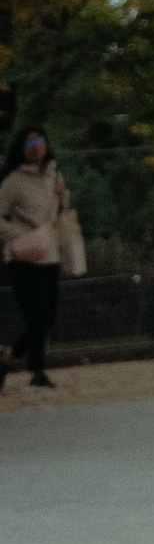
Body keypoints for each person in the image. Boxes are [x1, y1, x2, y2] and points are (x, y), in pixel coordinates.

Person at [1, 127, 82, 389]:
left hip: (50, 254)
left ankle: (8, 356)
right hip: (23, 257)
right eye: (29, 142)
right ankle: (37, 372)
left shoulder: (54, 175)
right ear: (21, 149)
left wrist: (61, 196)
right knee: (36, 317)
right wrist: (19, 234)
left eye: (39, 140)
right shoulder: (13, 181)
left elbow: (59, 211)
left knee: (47, 318)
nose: (35, 146)